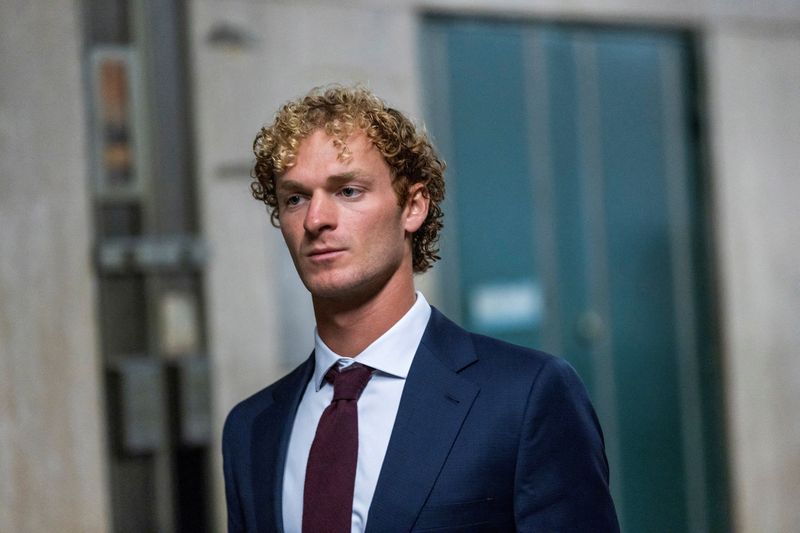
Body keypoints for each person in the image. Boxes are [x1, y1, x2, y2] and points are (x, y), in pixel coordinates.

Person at [222, 85, 619, 532]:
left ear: (413, 206)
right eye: (295, 198)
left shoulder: (526, 397)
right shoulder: (251, 428)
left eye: (348, 190)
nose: (316, 219)